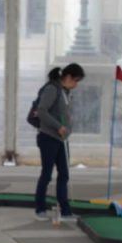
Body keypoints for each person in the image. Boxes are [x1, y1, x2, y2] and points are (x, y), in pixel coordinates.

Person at [33, 63, 85, 222]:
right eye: (75, 80)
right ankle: (40, 209)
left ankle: (65, 211)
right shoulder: (52, 89)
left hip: (61, 139)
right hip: (48, 137)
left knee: (64, 174)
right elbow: (41, 111)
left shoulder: (65, 92)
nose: (76, 85)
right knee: (47, 174)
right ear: (67, 77)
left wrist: (66, 129)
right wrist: (58, 126)